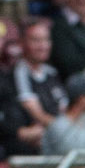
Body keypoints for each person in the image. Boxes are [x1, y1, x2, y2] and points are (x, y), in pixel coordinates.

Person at [0, 15, 66, 152]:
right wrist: (64, 129)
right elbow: (31, 115)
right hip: (30, 151)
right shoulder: (12, 77)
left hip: (57, 139)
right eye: (36, 40)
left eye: (46, 40)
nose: (43, 46)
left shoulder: (52, 73)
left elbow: (63, 109)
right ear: (21, 43)